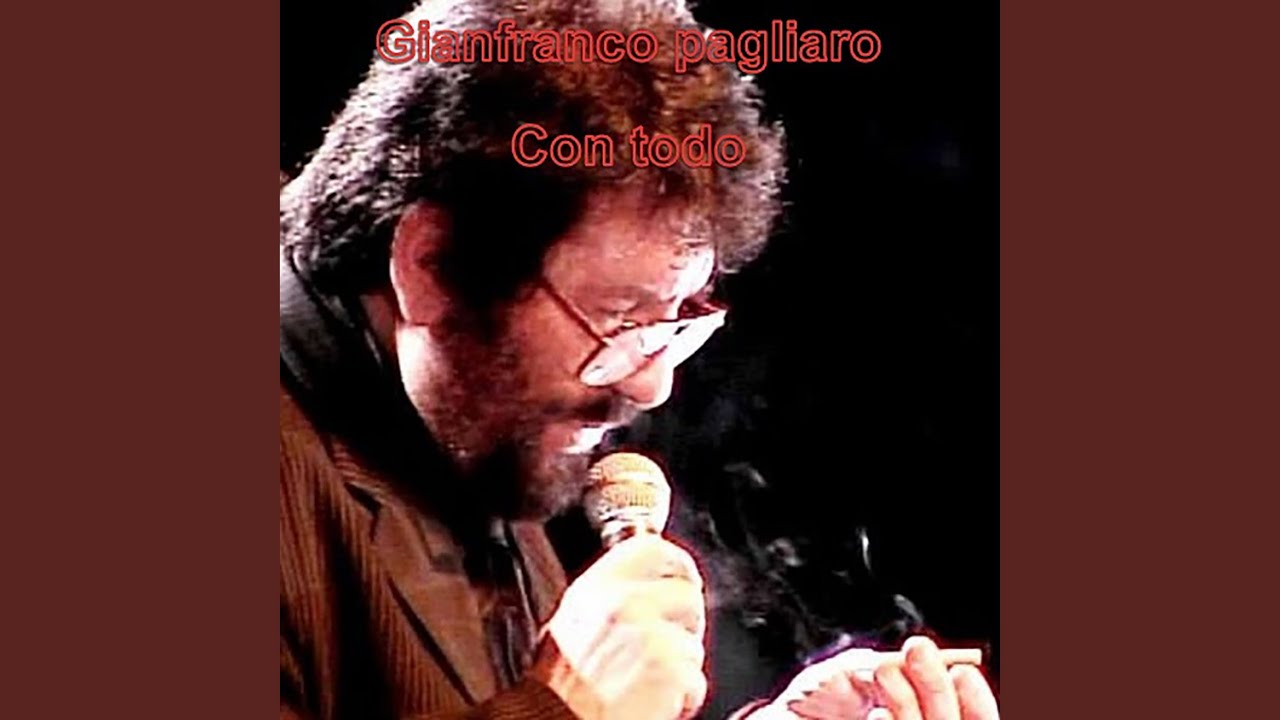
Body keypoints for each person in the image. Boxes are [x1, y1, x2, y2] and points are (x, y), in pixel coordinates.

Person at [279, 1, 1000, 719]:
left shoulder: (472, 416)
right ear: (432, 264)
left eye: (675, 323)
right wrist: (567, 709)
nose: (652, 383)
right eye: (620, 319)